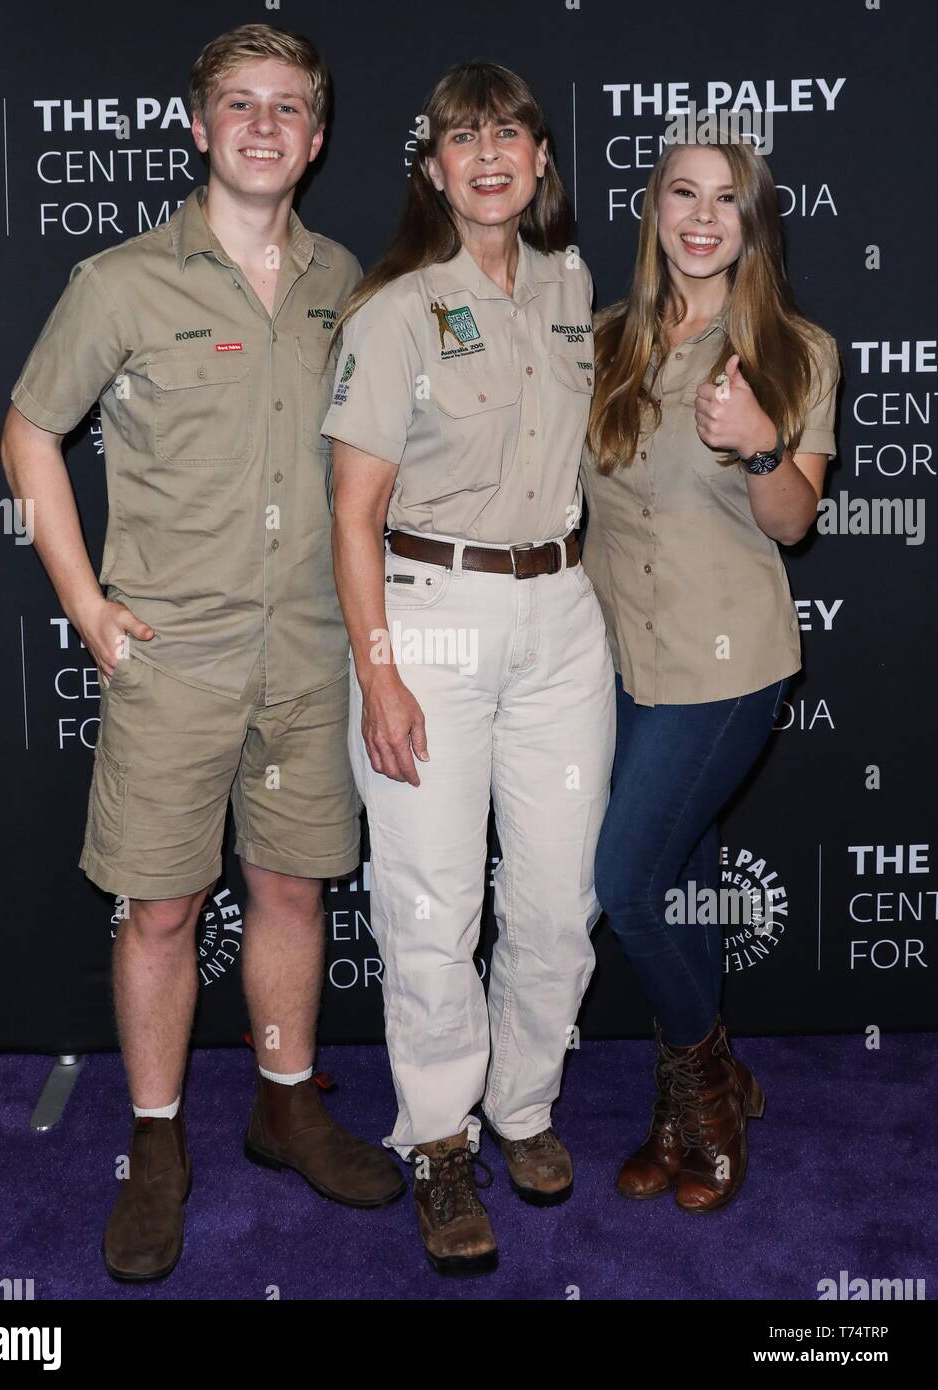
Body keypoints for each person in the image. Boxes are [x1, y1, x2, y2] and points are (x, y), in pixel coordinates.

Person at [0, 23, 403, 1284]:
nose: (265, 125)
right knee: (162, 905)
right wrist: (86, 604)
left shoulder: (349, 278)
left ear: (319, 137)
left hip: (311, 648)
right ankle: (158, 1142)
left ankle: (285, 1102)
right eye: (240, 104)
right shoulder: (120, 281)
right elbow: (27, 436)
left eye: (290, 107)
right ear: (198, 126)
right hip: (171, 657)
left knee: (291, 888)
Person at [324, 61, 616, 1275]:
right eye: (462, 138)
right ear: (432, 167)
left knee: (557, 899)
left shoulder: (569, 284)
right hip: (428, 611)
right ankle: (438, 1138)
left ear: (540, 160)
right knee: (434, 904)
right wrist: (380, 674)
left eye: (510, 134)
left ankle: (524, 1104)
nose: (488, 154)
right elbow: (352, 517)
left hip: (559, 610)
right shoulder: (394, 310)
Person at [582, 126, 840, 1212]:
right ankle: (688, 1096)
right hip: (614, 661)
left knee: (627, 883)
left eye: (724, 200)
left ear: (752, 220)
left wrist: (757, 443)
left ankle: (707, 1094)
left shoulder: (792, 349)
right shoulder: (604, 342)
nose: (699, 216)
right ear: (651, 210)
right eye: (679, 193)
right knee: (679, 887)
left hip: (726, 663)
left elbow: (792, 522)